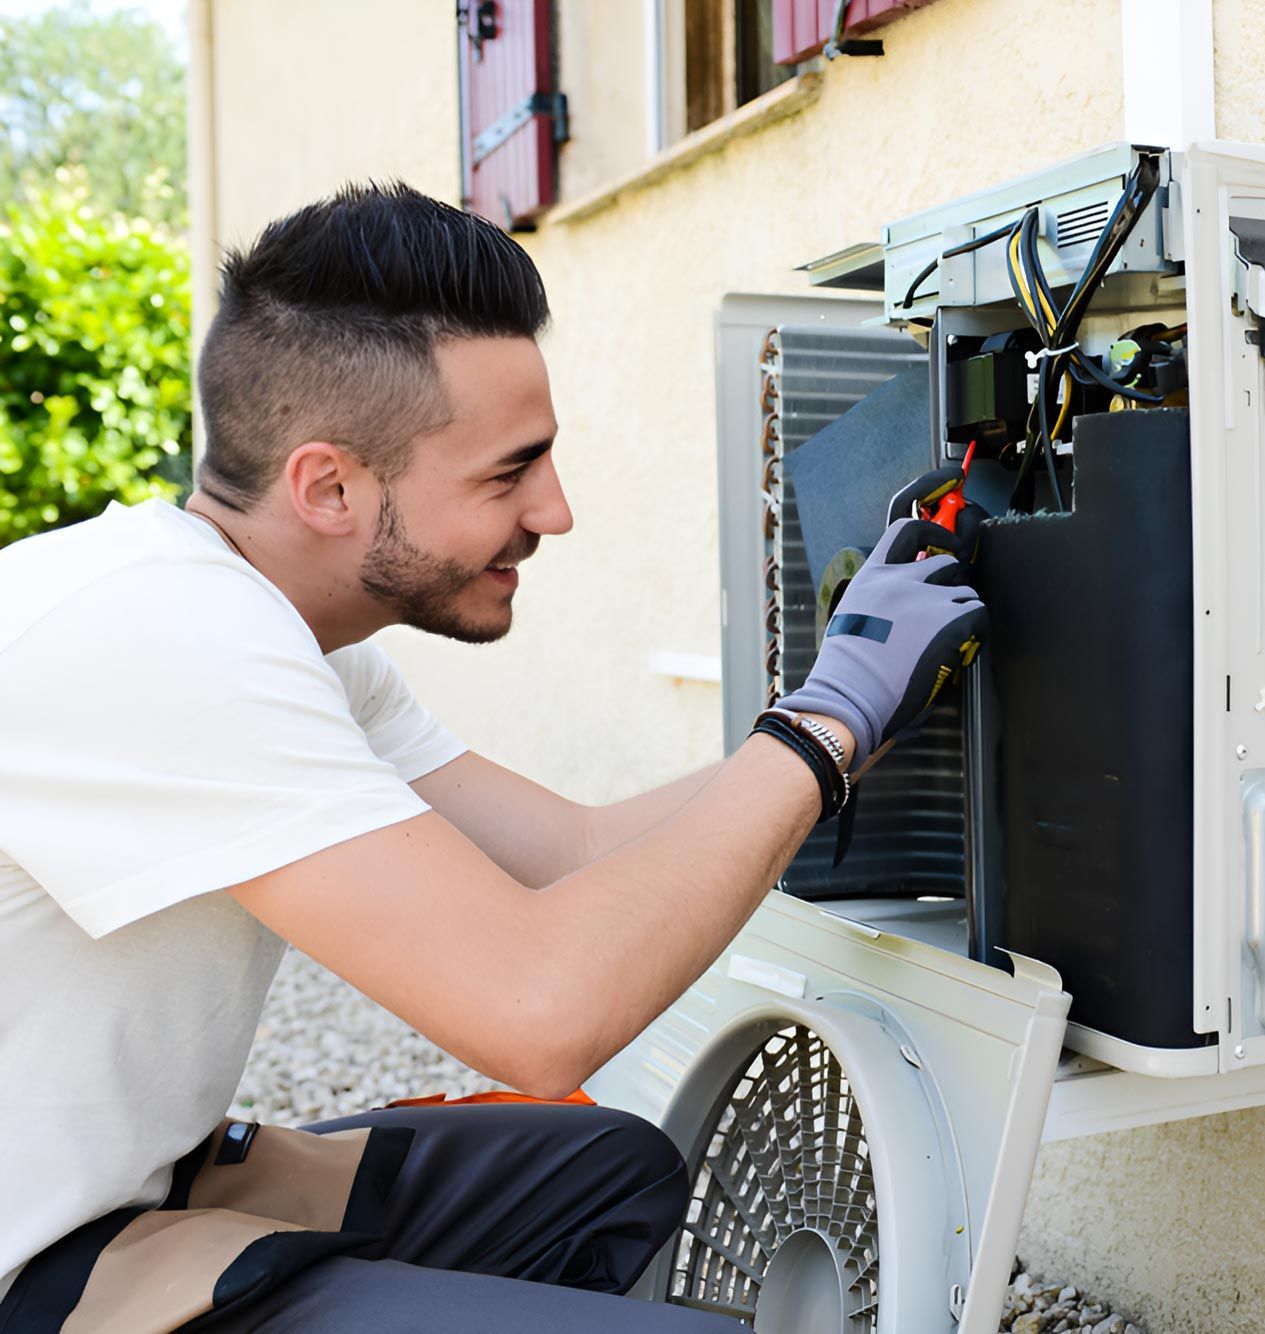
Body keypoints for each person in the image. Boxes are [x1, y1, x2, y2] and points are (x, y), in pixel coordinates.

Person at [0, 183, 984, 1333]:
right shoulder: (161, 638)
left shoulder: (275, 628)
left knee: (608, 1172)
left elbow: (568, 852)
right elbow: (538, 1013)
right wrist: (822, 725)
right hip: (38, 1271)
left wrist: (860, 714)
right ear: (329, 487)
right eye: (507, 472)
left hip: (130, 1197)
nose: (554, 511)